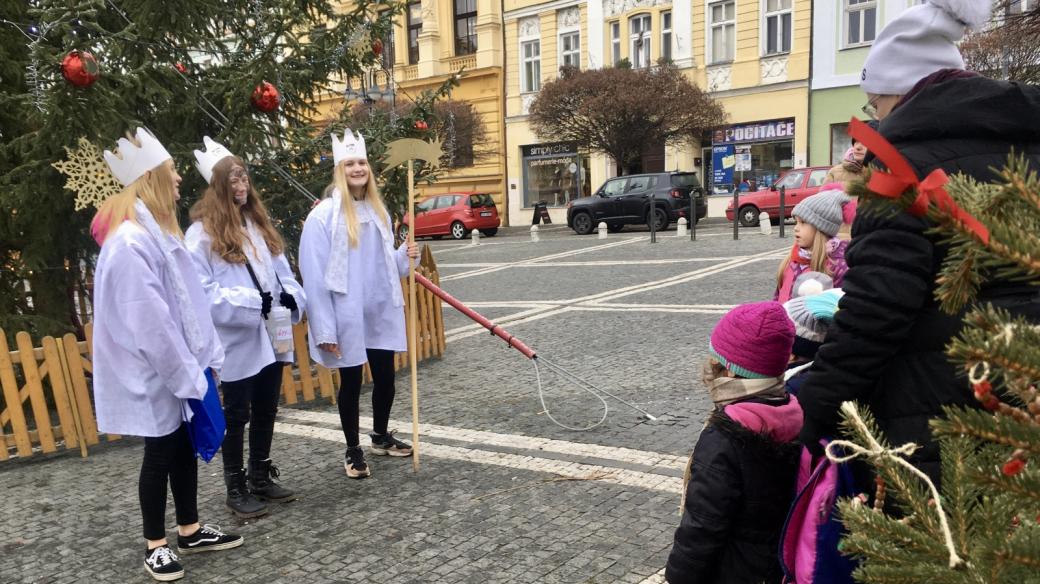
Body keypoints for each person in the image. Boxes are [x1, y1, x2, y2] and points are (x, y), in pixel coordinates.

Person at [797, 0, 1040, 487]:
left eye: (875, 104)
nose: (875, 117)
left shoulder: (902, 172)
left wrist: (809, 409)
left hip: (940, 415)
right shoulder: (1027, 145)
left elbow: (877, 311)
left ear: (898, 94)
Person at [90, 128, 241, 582]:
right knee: (159, 452)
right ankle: (155, 542)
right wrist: (184, 374)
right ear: (152, 179)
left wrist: (200, 359)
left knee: (181, 448)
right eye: (172, 172)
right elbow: (149, 322)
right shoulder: (133, 243)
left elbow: (186, 302)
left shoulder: (156, 234)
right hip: (154, 370)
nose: (178, 180)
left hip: (176, 363)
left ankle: (189, 528)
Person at [185, 137, 306, 518]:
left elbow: (282, 272)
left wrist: (289, 297)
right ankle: (234, 485)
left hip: (272, 332)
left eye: (244, 179)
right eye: (233, 182)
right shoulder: (202, 236)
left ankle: (260, 475)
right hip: (237, 338)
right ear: (219, 187)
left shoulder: (257, 224)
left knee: (268, 405)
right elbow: (202, 293)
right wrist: (254, 304)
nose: (241, 188)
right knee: (237, 413)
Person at [298, 128, 419, 479]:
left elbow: (388, 268)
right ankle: (353, 449)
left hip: (377, 307)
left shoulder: (379, 212)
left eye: (362, 162)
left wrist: (407, 254)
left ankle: (380, 435)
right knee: (351, 382)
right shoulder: (325, 216)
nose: (357, 168)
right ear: (340, 169)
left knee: (386, 378)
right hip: (346, 311)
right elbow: (315, 276)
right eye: (350, 163)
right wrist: (324, 327)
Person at [665, 301, 801, 584]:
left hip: (733, 571)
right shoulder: (798, 412)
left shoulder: (724, 438)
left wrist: (678, 577)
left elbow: (702, 526)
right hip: (780, 564)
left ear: (729, 370)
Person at [774, 187, 851, 303]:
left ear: (820, 229)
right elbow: (777, 299)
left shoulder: (837, 266)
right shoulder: (791, 261)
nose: (796, 228)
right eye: (796, 222)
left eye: (803, 222)